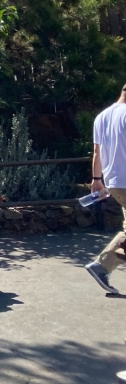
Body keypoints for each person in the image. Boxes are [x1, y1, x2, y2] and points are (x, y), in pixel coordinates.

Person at [84, 84, 126, 295]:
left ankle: (102, 267)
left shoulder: (102, 116)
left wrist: (97, 179)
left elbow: (97, 152)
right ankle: (102, 267)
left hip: (114, 181)